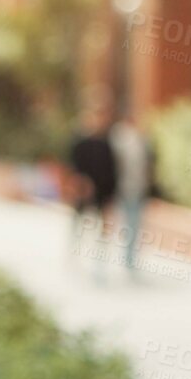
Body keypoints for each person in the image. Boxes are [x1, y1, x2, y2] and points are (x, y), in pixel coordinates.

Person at [65, 93, 119, 269]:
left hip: (102, 192)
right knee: (79, 225)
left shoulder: (108, 142)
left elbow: (112, 170)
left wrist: (111, 196)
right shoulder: (81, 141)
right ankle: (74, 257)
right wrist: (79, 184)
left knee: (102, 230)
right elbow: (73, 166)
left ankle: (99, 264)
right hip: (83, 190)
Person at [107, 104, 154, 277]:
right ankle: (113, 258)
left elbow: (147, 163)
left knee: (134, 224)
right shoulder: (118, 137)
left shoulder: (142, 138)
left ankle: (130, 260)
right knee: (117, 224)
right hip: (120, 189)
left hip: (138, 189)